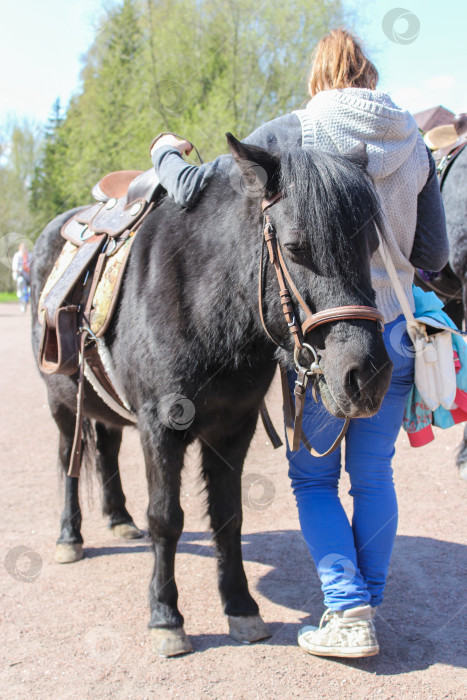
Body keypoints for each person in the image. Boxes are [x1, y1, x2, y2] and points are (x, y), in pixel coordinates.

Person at [150, 29, 449, 658]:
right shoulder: (415, 144)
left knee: (314, 480)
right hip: (391, 331)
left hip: (326, 334)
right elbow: (433, 256)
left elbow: (195, 188)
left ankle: (346, 611)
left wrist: (164, 154)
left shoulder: (295, 131)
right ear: (369, 74)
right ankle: (369, 601)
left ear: (318, 77)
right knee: (373, 475)